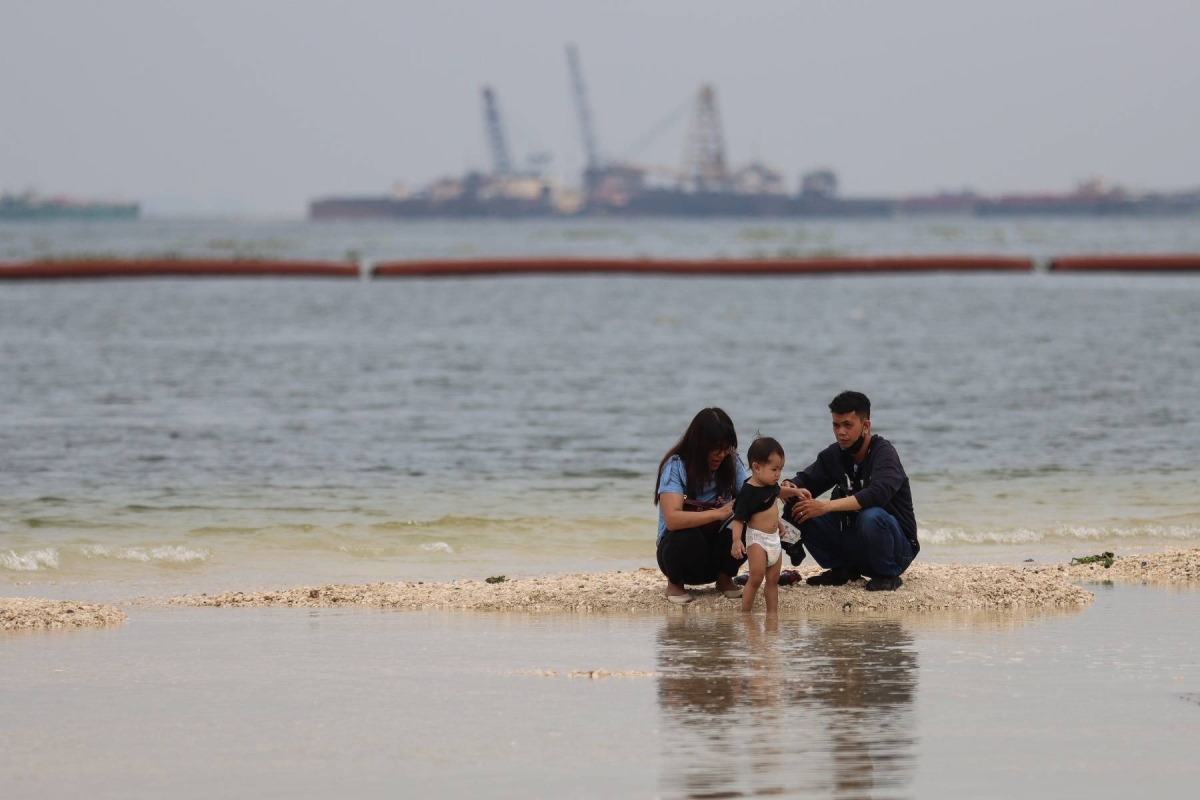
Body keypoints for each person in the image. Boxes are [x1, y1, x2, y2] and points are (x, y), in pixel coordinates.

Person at [784, 391, 919, 592]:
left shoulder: (884, 454)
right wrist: (788, 486)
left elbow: (876, 495)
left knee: (871, 515)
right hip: (857, 546)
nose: (841, 432)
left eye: (848, 425)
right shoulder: (835, 454)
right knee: (799, 505)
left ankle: (886, 574)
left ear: (866, 426)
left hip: (897, 550)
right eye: (836, 425)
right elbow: (806, 480)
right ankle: (842, 570)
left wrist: (826, 507)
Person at [655, 408, 747, 604]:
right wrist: (717, 514)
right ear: (698, 443)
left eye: (726, 447)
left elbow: (751, 496)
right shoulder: (676, 466)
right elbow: (672, 520)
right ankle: (675, 584)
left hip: (716, 559)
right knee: (686, 534)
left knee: (749, 518)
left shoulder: (732, 462)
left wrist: (778, 495)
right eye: (715, 448)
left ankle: (724, 578)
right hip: (679, 557)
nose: (720, 454)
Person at [729, 436, 806, 613]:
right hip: (757, 539)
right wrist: (736, 541)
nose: (778, 474)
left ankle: (773, 615)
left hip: (774, 540)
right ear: (756, 468)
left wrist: (795, 491)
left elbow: (777, 495)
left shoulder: (771, 484)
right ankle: (746, 613)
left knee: (773, 581)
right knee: (756, 578)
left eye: (780, 469)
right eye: (774, 469)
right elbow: (739, 518)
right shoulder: (748, 491)